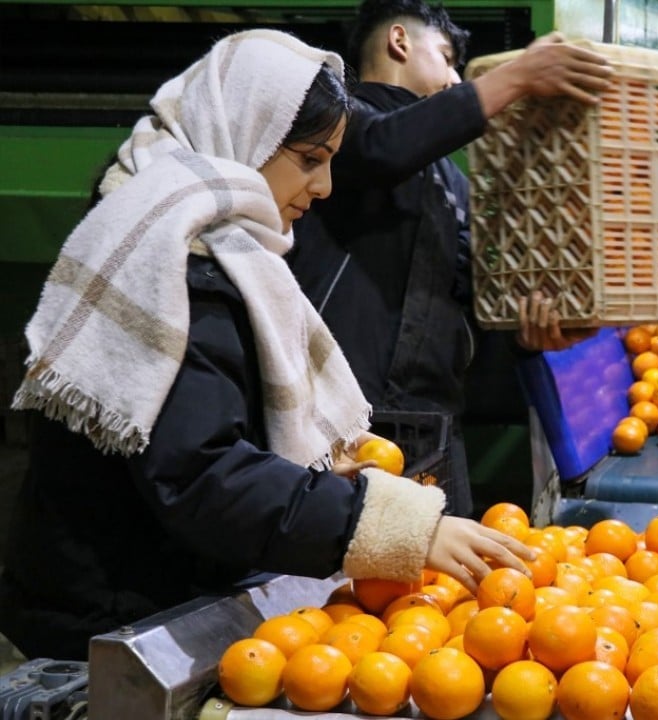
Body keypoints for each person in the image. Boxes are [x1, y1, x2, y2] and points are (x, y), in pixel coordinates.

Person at [0, 29, 530, 662]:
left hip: (149, 590)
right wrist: (389, 524)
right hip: (108, 616)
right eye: (310, 159)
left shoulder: (217, 242)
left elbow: (202, 426)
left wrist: (307, 469)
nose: (325, 185)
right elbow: (200, 472)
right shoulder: (172, 254)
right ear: (246, 130)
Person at [288, 0, 609, 519]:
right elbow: (383, 147)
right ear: (399, 41)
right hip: (343, 424)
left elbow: (469, 302)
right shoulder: (338, 127)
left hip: (432, 428)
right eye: (445, 57)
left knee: (441, 571)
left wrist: (525, 336)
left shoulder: (450, 180)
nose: (455, 79)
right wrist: (517, 77)